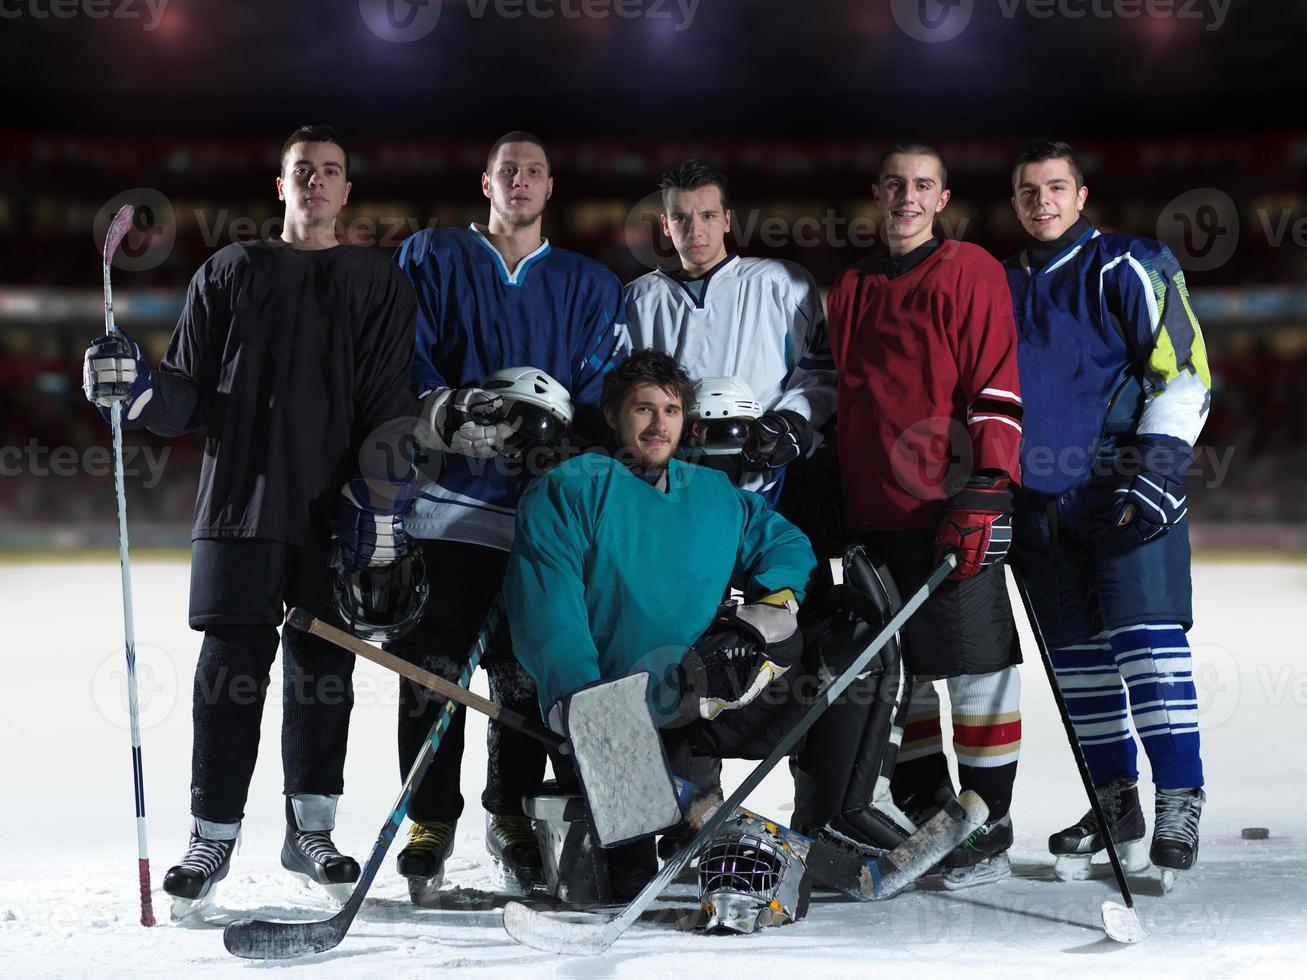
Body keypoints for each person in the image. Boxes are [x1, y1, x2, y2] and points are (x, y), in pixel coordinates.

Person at [82, 125, 419, 912]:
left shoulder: (377, 280)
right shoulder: (229, 270)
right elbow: (184, 391)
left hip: (335, 513)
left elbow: (388, 408)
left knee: (323, 673)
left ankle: (311, 831)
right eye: (303, 170)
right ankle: (212, 835)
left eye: (331, 171)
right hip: (238, 507)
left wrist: (379, 507)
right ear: (281, 186)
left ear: (345, 191)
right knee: (227, 679)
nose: (316, 182)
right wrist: (134, 392)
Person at [505, 350, 917, 906]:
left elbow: (787, 544)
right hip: (609, 709)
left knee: (852, 646)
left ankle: (833, 819)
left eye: (671, 411)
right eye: (642, 409)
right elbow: (547, 611)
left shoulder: (714, 494)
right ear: (611, 415)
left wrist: (774, 603)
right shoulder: (570, 487)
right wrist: (588, 711)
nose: (657, 425)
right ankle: (662, 840)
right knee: (624, 881)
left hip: (705, 695)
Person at [389, 131, 629, 899]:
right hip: (449, 510)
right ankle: (429, 818)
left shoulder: (590, 282)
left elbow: (600, 388)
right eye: (506, 170)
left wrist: (568, 445)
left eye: (532, 171)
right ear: (485, 182)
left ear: (549, 186)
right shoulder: (431, 255)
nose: (519, 181)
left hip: (539, 516)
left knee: (522, 680)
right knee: (431, 672)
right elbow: (405, 354)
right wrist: (449, 408)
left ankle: (512, 813)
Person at [1004, 139, 1210, 882]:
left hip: (1123, 485)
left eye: (1054, 187)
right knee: (1077, 662)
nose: (1041, 202)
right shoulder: (999, 281)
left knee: (1145, 643)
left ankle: (1179, 795)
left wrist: (1158, 466)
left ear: (1080, 195)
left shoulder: (1127, 262)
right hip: (1038, 503)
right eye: (1027, 191)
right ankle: (1114, 800)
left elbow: (1182, 370)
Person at [824, 140, 1025, 888]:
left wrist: (989, 482)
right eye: (894, 185)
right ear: (876, 194)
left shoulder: (969, 270)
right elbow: (844, 399)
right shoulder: (849, 287)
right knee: (897, 678)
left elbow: (994, 379)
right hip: (873, 518)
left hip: (948, 508)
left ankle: (989, 820)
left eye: (922, 186)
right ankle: (927, 804)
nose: (906, 197)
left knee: (978, 668)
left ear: (941, 200)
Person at [624, 159, 835, 507]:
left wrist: (789, 423)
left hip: (770, 483)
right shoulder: (638, 298)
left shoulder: (781, 283)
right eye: (681, 218)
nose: (695, 230)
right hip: (675, 484)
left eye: (707, 216)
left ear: (726, 221)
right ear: (665, 224)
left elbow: (819, 374)